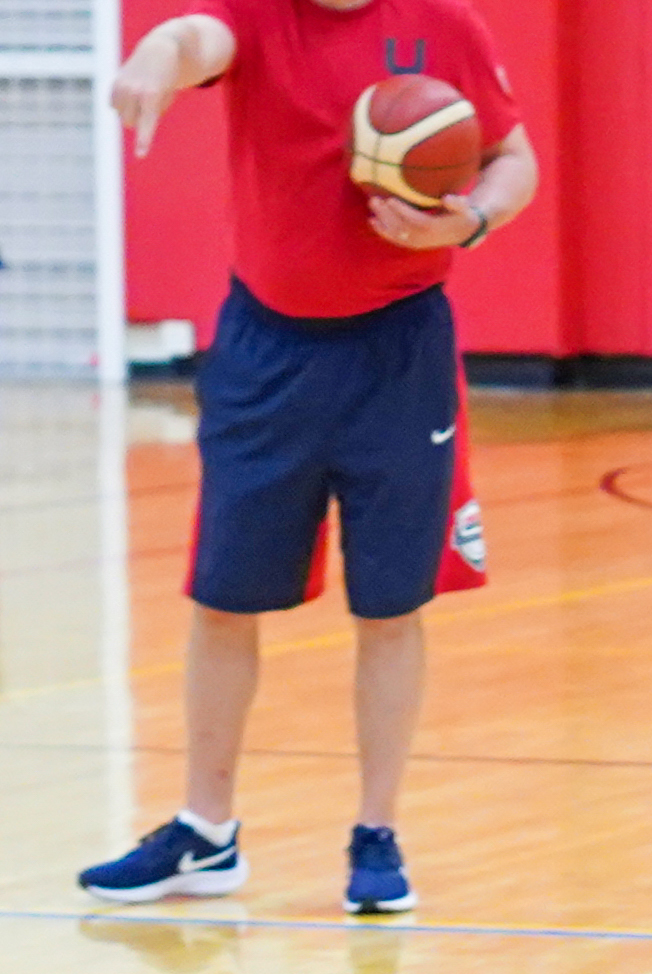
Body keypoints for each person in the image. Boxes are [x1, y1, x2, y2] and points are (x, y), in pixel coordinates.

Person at [85, 0, 538, 914]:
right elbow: (192, 39)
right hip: (267, 349)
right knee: (221, 600)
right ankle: (205, 833)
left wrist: (471, 222)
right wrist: (150, 58)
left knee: (390, 606)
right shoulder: (254, 15)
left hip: (398, 350)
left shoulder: (446, 26)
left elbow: (514, 159)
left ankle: (377, 833)